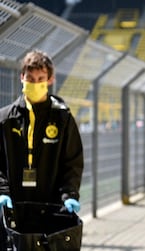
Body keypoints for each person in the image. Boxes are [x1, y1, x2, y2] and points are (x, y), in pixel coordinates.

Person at [0, 50, 84, 250]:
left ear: (50, 79)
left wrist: (70, 194)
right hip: (14, 208)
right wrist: (2, 191)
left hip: (51, 208)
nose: (35, 83)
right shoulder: (5, 119)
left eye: (40, 79)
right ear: (22, 77)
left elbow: (72, 160)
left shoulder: (62, 118)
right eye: (30, 78)